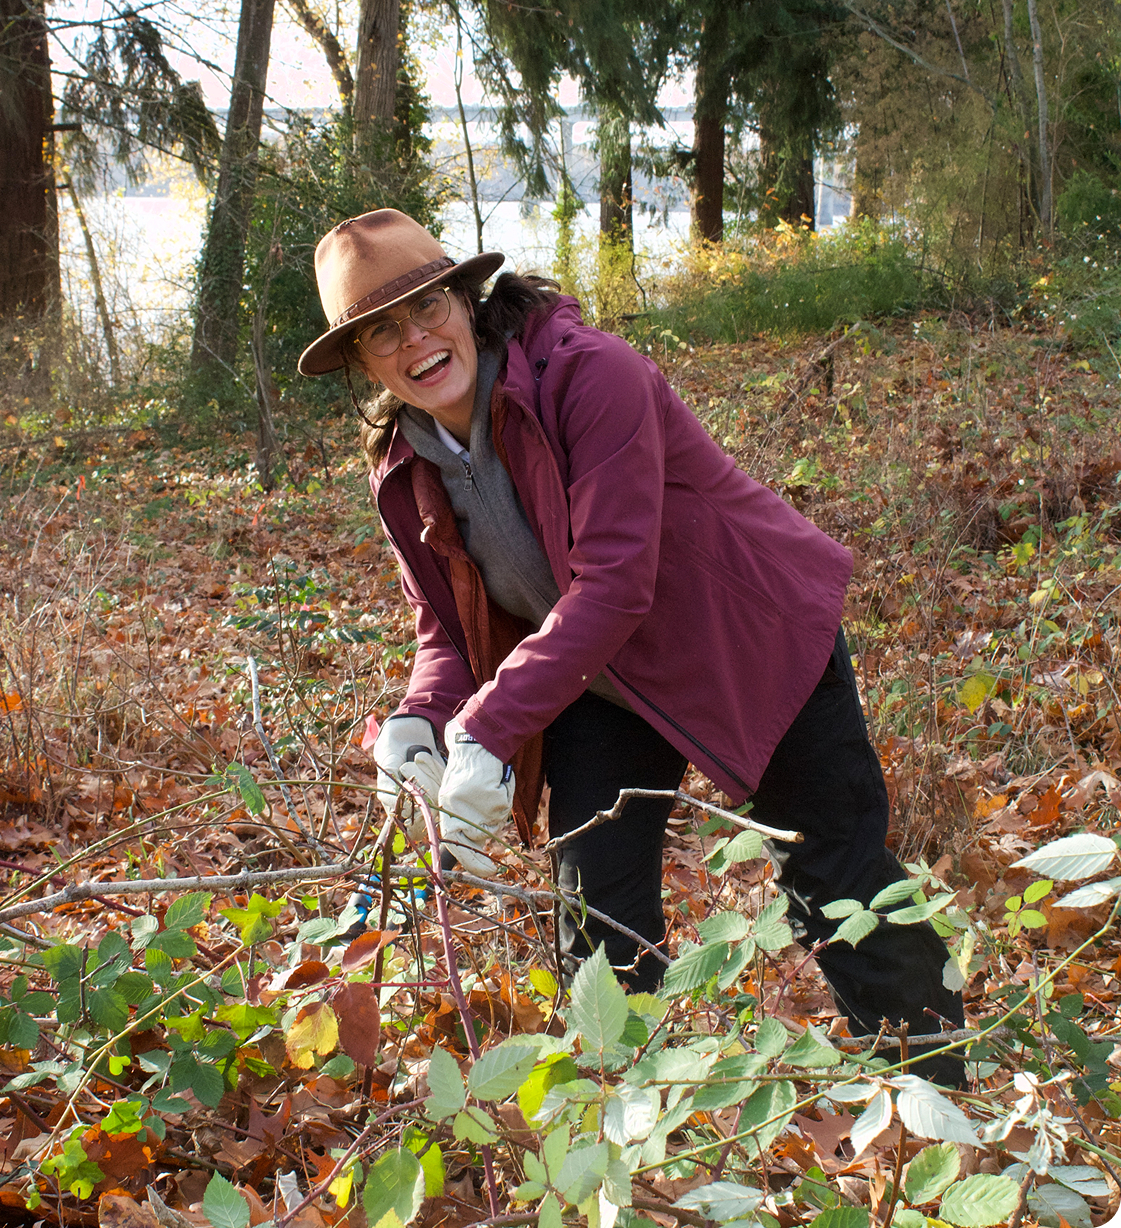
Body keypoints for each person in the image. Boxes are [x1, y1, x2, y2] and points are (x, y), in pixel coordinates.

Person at [299, 208, 965, 1084]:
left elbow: (616, 582)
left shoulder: (591, 376)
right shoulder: (406, 463)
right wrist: (418, 722)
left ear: (467, 297)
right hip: (595, 684)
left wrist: (489, 729)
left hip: (749, 642)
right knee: (597, 916)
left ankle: (946, 1099)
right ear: (360, 362)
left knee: (836, 881)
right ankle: (621, 1131)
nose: (415, 340)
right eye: (382, 333)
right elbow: (446, 629)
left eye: (429, 307)